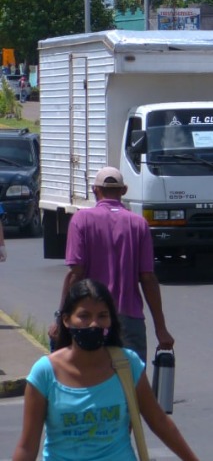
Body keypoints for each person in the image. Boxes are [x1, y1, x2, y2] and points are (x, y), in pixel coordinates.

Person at [13, 279, 199, 461]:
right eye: (84, 316)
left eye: (102, 316)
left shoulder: (127, 364)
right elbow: (27, 447)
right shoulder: (45, 373)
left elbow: (159, 422)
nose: (94, 324)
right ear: (66, 320)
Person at [52, 167, 173, 363]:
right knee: (132, 384)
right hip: (129, 317)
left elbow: (75, 274)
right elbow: (148, 278)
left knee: (92, 380)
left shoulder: (81, 220)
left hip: (91, 319)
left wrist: (61, 318)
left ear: (95, 190)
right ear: (123, 191)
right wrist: (161, 329)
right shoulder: (138, 224)